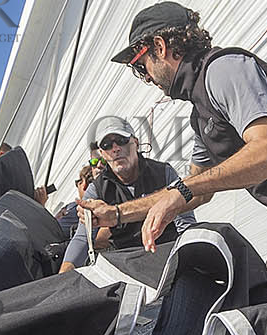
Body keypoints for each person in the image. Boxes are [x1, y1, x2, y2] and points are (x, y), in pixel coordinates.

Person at [83, 1, 267, 295]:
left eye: (141, 66)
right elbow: (198, 189)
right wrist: (117, 214)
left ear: (160, 48)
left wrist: (182, 191)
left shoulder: (223, 69)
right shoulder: (200, 113)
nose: (145, 78)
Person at [58, 116, 198, 274]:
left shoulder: (163, 173)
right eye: (107, 145)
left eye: (121, 140)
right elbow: (83, 238)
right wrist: (63, 275)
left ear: (136, 143)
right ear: (102, 153)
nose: (115, 148)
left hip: (167, 258)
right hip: (127, 267)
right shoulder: (96, 190)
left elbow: (185, 224)